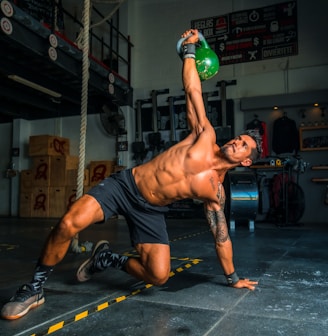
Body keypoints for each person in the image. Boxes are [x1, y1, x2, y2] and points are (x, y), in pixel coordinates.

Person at [1, 29, 262, 320]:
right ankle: (35, 288)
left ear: (247, 162)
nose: (236, 142)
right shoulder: (204, 135)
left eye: (243, 146)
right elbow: (193, 90)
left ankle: (106, 258)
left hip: (150, 211)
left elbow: (221, 237)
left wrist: (233, 278)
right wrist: (189, 50)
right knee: (68, 223)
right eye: (238, 138)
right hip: (125, 186)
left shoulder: (215, 192)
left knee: (159, 275)